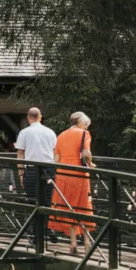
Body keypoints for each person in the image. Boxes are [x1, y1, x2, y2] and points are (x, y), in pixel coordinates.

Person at [48, 112, 95, 255]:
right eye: (86, 124)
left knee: (69, 207)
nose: (86, 127)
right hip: (78, 173)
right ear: (81, 122)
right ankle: (87, 243)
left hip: (63, 174)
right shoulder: (84, 134)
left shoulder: (61, 135)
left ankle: (73, 243)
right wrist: (91, 163)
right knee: (84, 205)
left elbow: (56, 158)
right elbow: (86, 153)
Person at [15, 107, 58, 243]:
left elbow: (20, 153)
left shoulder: (24, 132)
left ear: (28, 118)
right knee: (47, 200)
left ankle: (36, 235)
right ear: (40, 117)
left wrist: (21, 173)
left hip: (32, 169)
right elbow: (55, 152)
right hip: (48, 169)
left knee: (33, 201)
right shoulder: (50, 132)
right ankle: (48, 228)